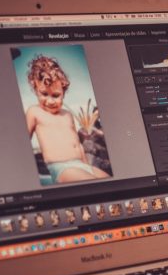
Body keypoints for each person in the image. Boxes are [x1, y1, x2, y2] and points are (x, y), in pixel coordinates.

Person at [24, 54, 109, 184]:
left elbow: (78, 145)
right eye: (44, 94)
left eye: (56, 95)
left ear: (64, 92)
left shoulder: (67, 114)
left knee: (109, 181)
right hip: (62, 168)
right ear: (36, 90)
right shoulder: (34, 112)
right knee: (94, 185)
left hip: (82, 164)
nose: (50, 101)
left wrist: (87, 166)